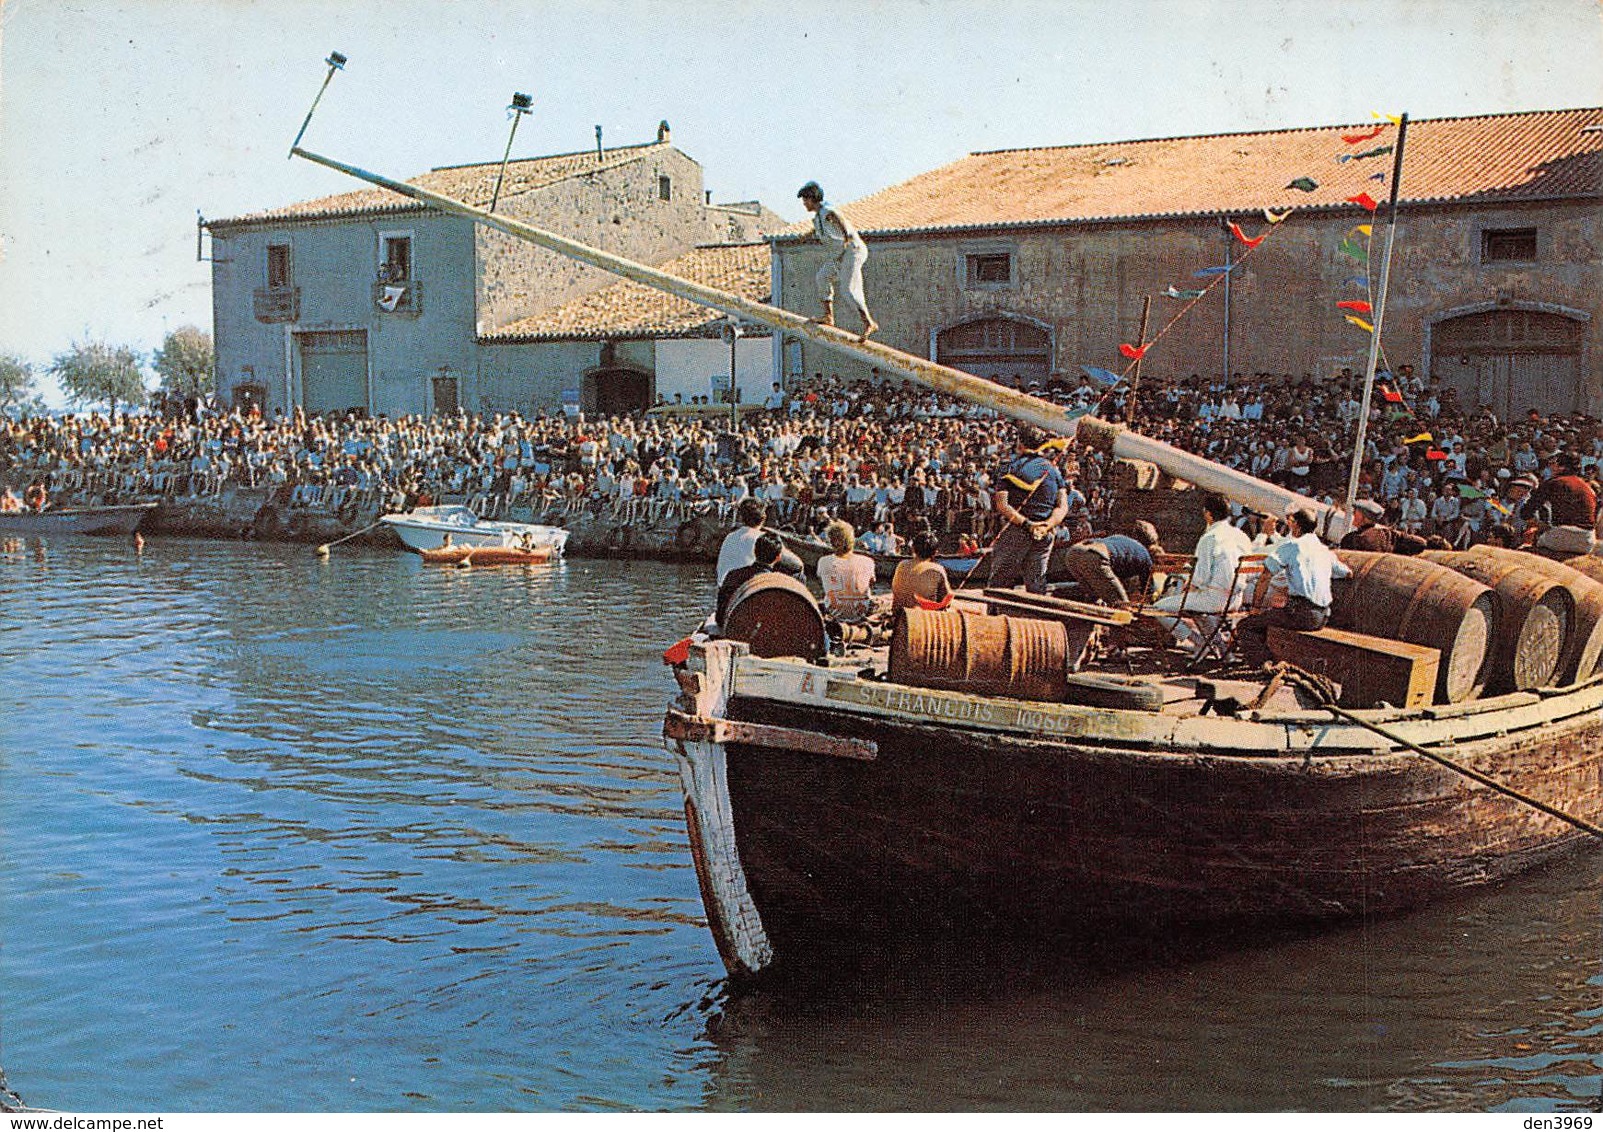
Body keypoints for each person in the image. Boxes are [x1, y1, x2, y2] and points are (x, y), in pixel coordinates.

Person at [1236, 507, 1351, 666]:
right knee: (1268, 618)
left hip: (1301, 614)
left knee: (1246, 626)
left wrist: (1255, 608)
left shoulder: (1292, 546)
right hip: (1322, 615)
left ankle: (1263, 665)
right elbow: (1347, 573)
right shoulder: (1324, 551)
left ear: (1296, 525)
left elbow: (1265, 577)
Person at [1145, 493, 1253, 652]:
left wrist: (1188, 581)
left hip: (1214, 599)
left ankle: (1200, 643)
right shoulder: (1241, 536)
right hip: (1236, 599)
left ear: (1208, 514)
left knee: (1158, 608)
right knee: (1199, 609)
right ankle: (1220, 648)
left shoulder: (1210, 538)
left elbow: (1201, 578)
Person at [987, 424, 1068, 594]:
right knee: (1037, 583)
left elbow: (1002, 505)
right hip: (1045, 532)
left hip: (1018, 530)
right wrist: (1047, 525)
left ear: (1020, 443)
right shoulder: (1054, 471)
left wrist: (1027, 524)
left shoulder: (1009, 467)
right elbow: (1062, 506)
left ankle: (993, 618)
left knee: (999, 583)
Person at [797, 181, 877, 341]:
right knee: (822, 277)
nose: (804, 204)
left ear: (812, 199)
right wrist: (807, 235)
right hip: (840, 255)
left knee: (848, 289)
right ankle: (828, 316)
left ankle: (869, 323)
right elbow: (821, 228)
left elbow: (837, 217)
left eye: (805, 200)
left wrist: (846, 234)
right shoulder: (819, 217)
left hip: (852, 250)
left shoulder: (827, 210)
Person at [1060, 522, 1161, 607]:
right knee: (1122, 606)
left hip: (1073, 553)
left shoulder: (1123, 541)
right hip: (1094, 555)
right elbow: (1148, 591)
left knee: (1095, 599)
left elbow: (1109, 577)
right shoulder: (1145, 556)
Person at [715, 531, 800, 626]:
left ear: (754, 551)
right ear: (778, 557)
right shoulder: (778, 583)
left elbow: (719, 614)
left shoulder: (732, 575)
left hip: (730, 625)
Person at [715, 496, 801, 585]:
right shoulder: (764, 539)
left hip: (725, 587)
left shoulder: (729, 537)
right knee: (798, 574)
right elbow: (798, 564)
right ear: (764, 518)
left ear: (741, 517)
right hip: (748, 589)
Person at [1529, 450, 1598, 555]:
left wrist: (1538, 524)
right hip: (1588, 540)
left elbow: (1527, 511)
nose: (1550, 467)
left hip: (1563, 537)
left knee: (1536, 542)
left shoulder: (1553, 482)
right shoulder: (1588, 487)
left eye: (1553, 464)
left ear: (1561, 466)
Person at [816, 519, 877, 620]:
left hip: (834, 613)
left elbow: (822, 580)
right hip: (861, 613)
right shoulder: (868, 561)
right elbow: (872, 582)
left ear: (831, 542)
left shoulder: (823, 561)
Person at [890, 530, 953, 610]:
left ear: (913, 548)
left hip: (899, 615)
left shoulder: (901, 564)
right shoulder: (938, 569)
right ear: (935, 553)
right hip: (922, 617)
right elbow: (947, 598)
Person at [1340, 499, 1426, 555]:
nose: (1353, 515)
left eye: (1356, 512)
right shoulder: (1388, 534)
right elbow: (1421, 543)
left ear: (1364, 517)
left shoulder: (1350, 539)